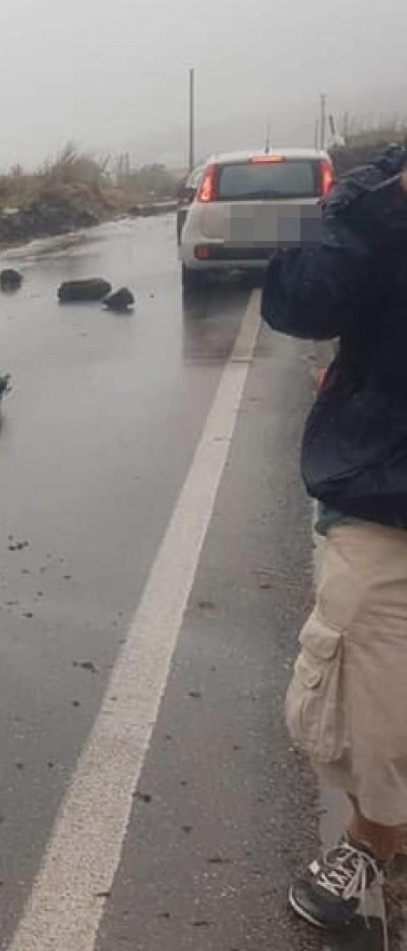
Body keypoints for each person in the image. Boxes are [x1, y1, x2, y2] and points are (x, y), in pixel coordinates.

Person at [262, 144, 407, 931]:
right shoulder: (366, 192)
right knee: (365, 714)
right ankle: (371, 839)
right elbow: (294, 303)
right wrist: (392, 206)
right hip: (388, 494)